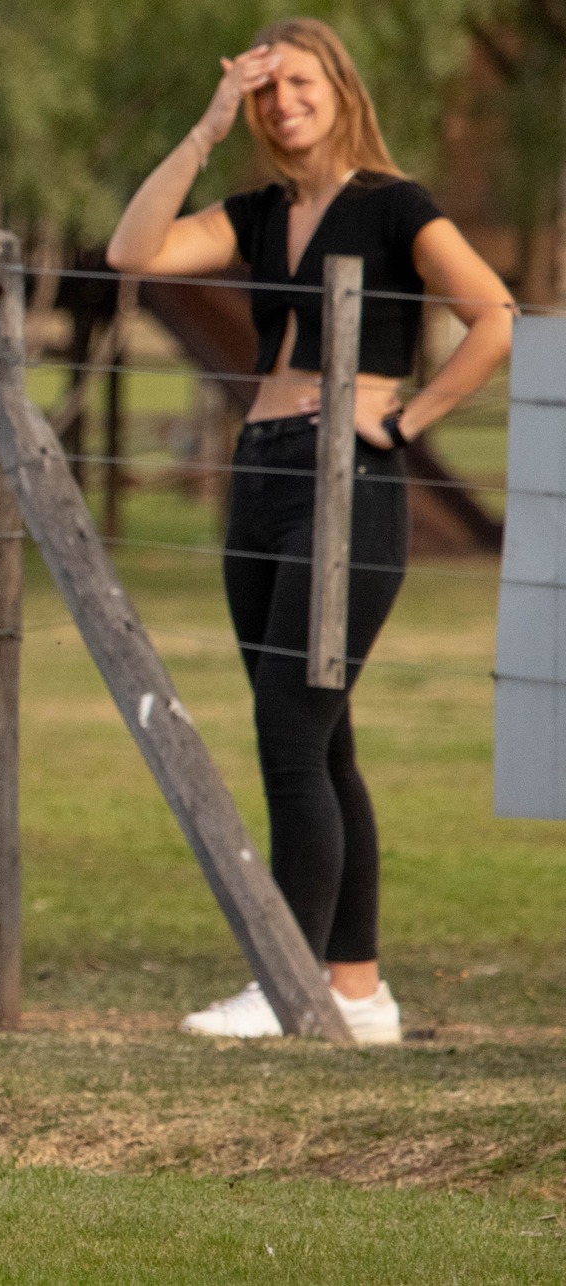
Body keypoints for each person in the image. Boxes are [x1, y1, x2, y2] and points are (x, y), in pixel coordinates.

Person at [105, 17, 512, 1044]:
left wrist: (404, 420)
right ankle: (356, 990)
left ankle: (286, 981)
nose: (282, 102)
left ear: (338, 85)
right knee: (320, 740)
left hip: (349, 478)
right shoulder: (256, 210)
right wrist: (202, 126)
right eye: (262, 91)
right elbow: (131, 249)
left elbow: (494, 315)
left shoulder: (395, 206)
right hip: (260, 475)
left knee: (290, 729)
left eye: (298, 81)